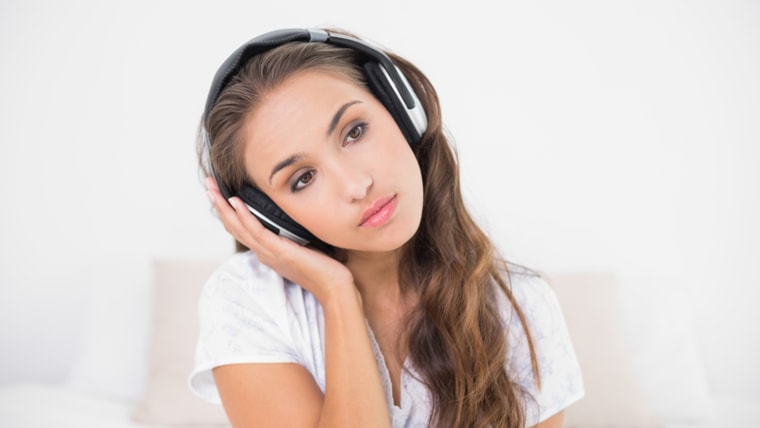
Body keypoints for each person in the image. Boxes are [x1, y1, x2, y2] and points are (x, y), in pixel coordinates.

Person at [189, 27, 583, 428]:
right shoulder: (248, 300)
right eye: (303, 178)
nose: (357, 186)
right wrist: (336, 294)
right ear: (272, 215)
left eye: (355, 132)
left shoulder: (521, 305)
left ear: (402, 111)